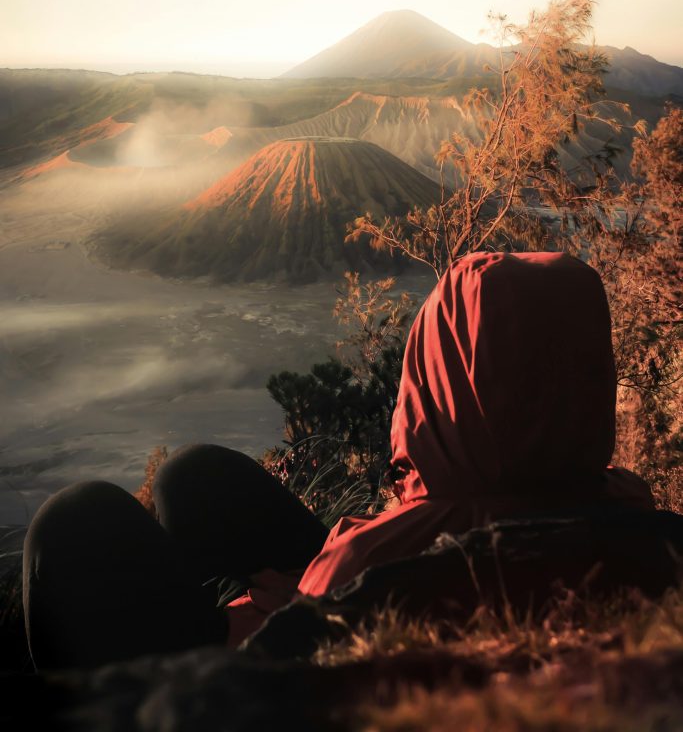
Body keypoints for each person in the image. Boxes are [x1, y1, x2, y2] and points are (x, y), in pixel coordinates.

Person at [23, 252, 654, 669]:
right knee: (193, 478)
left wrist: (280, 615)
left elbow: (287, 675)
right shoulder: (642, 525)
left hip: (317, 659)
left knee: (77, 524)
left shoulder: (372, 567)